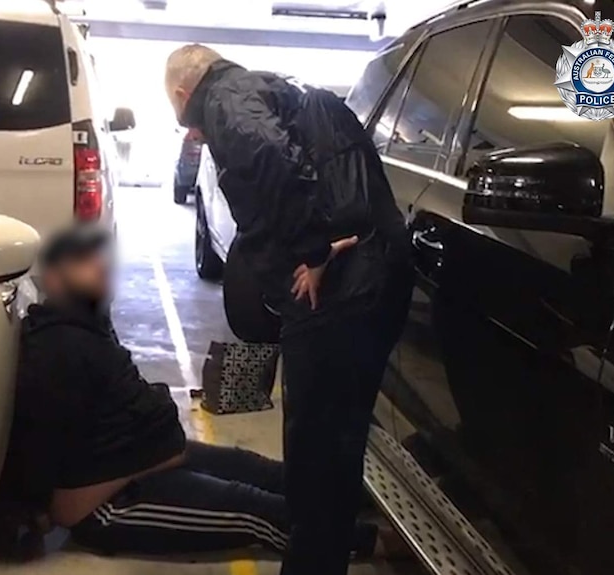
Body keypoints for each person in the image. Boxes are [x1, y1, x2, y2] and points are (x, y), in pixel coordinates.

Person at [0, 227, 401, 560]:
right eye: (85, 263)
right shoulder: (56, 350)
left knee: (263, 470)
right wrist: (43, 510)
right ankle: (379, 543)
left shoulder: (87, 325)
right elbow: (42, 461)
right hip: (112, 503)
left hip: (149, 457)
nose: (101, 267)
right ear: (54, 279)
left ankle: (356, 500)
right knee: (255, 510)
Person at [164, 45, 414, 575]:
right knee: (338, 448)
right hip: (375, 283)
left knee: (314, 455)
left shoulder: (225, 101)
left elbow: (271, 157)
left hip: (337, 300)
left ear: (183, 94)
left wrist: (313, 252)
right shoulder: (268, 88)